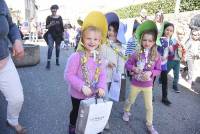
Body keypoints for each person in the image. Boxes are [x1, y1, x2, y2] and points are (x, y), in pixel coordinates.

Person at [64, 11, 108, 134]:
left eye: (96, 39)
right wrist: (81, 86)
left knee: (89, 114)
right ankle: (72, 126)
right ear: (82, 38)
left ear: (100, 41)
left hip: (93, 93)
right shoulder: (76, 56)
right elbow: (68, 75)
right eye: (89, 38)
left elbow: (103, 74)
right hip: (77, 94)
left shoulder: (100, 58)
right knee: (76, 112)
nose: (92, 42)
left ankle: (90, 129)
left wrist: (101, 87)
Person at [122, 20, 161, 134]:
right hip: (135, 83)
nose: (147, 43)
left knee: (149, 106)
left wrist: (151, 73)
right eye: (144, 40)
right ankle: (126, 111)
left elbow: (158, 69)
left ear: (154, 42)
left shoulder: (156, 55)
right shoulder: (136, 53)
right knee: (130, 100)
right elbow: (127, 64)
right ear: (141, 40)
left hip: (148, 85)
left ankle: (149, 125)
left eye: (150, 40)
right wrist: (133, 68)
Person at [0, 0, 26, 133]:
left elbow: (10, 25)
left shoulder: (1, 3)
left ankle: (12, 120)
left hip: (4, 63)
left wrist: (16, 39)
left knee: (17, 98)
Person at [156, 22, 175, 106]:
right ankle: (149, 95)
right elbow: (156, 50)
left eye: (171, 31)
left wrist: (171, 50)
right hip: (156, 63)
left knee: (165, 81)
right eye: (167, 30)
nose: (168, 32)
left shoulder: (170, 41)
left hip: (164, 64)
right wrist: (160, 56)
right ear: (164, 30)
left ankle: (165, 98)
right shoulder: (159, 39)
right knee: (152, 79)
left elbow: (172, 55)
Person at [167, 26, 186, 93]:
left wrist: (183, 57)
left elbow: (183, 51)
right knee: (166, 71)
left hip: (177, 61)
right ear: (177, 34)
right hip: (171, 60)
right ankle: (161, 79)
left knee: (176, 75)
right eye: (180, 34)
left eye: (182, 34)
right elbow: (171, 50)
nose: (181, 36)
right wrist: (177, 44)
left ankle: (175, 86)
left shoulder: (183, 42)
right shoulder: (173, 40)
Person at [45, 4, 64, 69]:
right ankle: (48, 62)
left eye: (54, 11)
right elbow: (46, 27)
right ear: (51, 11)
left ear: (56, 10)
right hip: (50, 34)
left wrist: (63, 35)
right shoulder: (48, 17)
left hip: (58, 35)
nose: (53, 12)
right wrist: (50, 24)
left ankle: (57, 60)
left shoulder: (59, 17)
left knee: (58, 48)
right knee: (50, 47)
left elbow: (62, 27)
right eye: (52, 11)